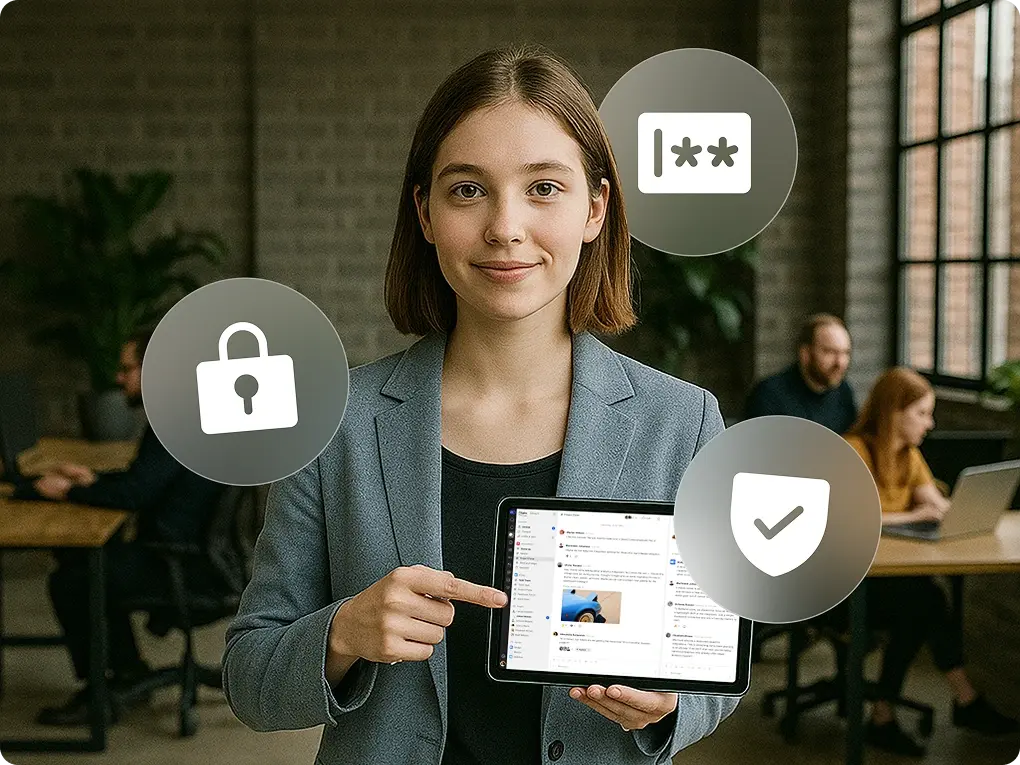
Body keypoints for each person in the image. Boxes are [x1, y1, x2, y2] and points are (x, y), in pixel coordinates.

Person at [222, 45, 738, 764]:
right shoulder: (338, 423)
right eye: (467, 190)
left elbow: (712, 667)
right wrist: (343, 632)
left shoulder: (681, 424)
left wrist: (671, 703)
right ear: (425, 213)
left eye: (544, 188)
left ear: (595, 209)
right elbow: (250, 679)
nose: (505, 226)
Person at [16, 327, 226, 725]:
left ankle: (101, 692)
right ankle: (126, 672)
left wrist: (68, 491)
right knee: (82, 561)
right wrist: (92, 481)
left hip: (182, 566)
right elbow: (144, 482)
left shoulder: (175, 422)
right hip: (197, 558)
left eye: (127, 368)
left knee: (73, 580)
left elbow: (135, 493)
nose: (118, 378)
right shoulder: (190, 412)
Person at [843, 367, 1018, 756]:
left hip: (891, 579)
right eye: (922, 413)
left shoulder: (909, 455)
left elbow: (935, 504)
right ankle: (962, 701)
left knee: (923, 603)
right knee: (925, 603)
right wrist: (912, 516)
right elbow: (848, 519)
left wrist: (955, 509)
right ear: (895, 412)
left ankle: (889, 713)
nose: (930, 423)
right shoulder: (853, 451)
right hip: (847, 583)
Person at [744, 313, 856, 433]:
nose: (840, 362)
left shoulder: (844, 393)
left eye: (846, 353)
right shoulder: (769, 395)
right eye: (830, 352)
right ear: (805, 353)